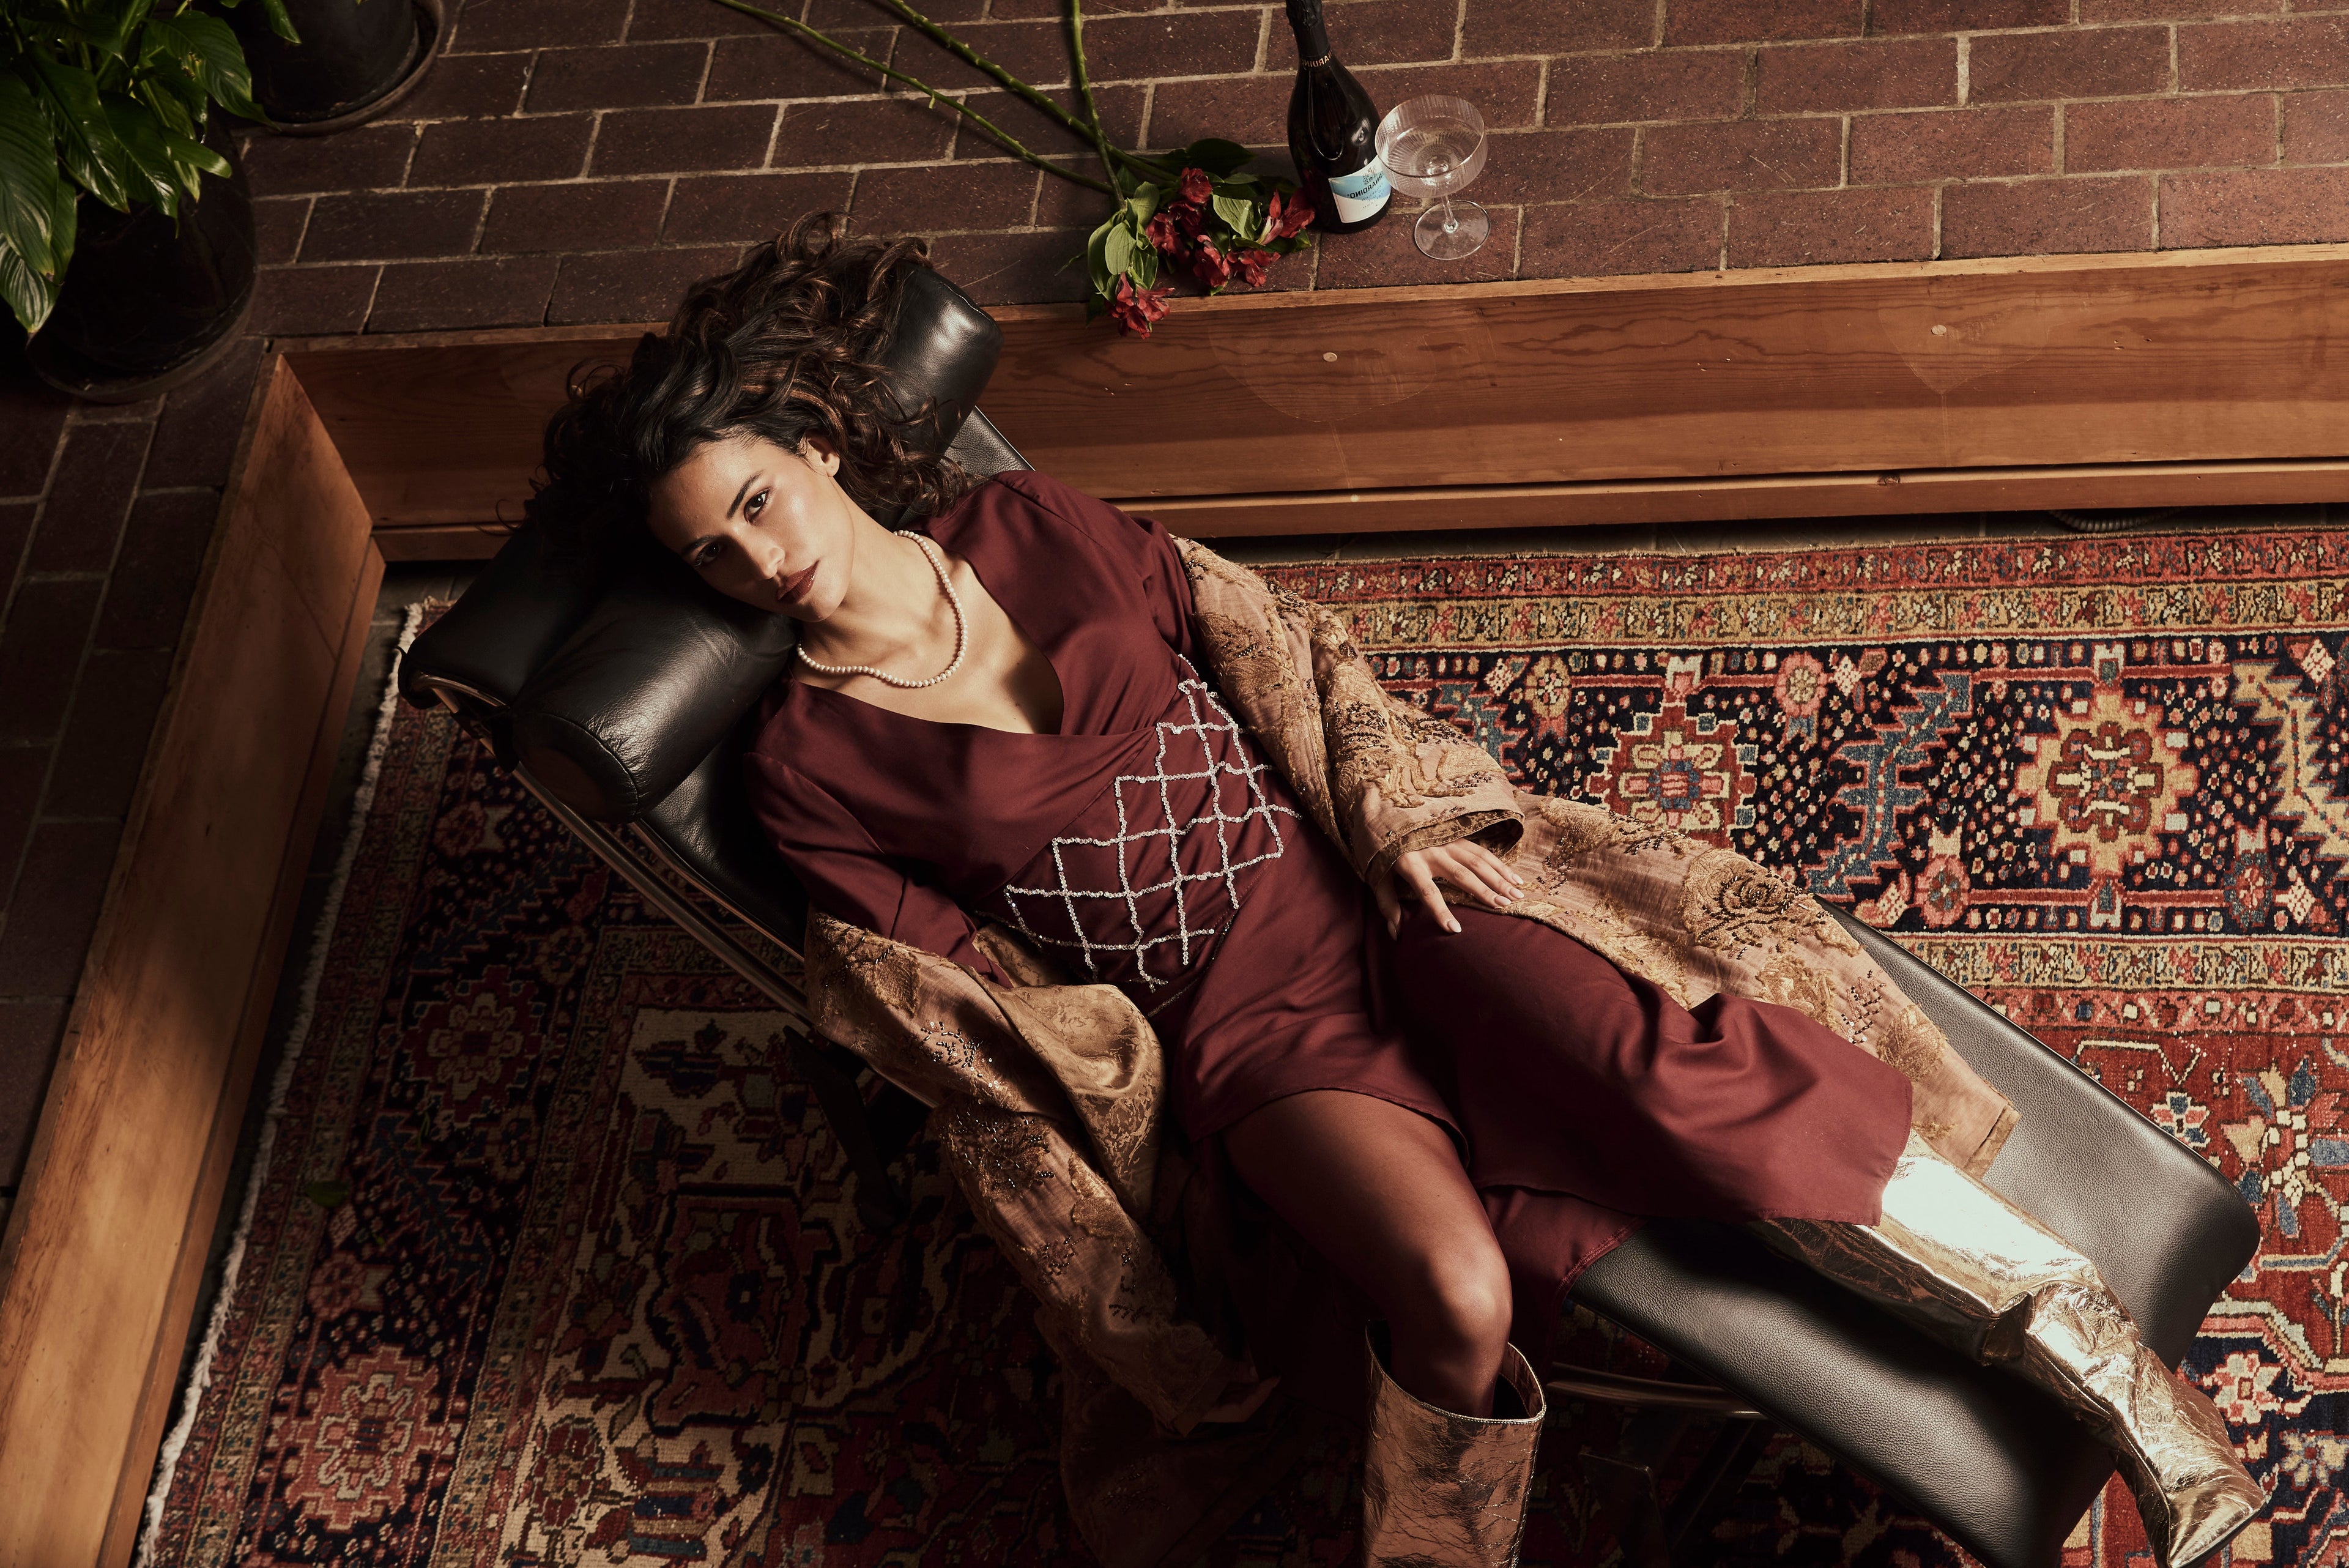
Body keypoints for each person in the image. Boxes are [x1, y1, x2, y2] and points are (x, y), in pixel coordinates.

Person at [529, 215, 2263, 1568]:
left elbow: (1277, 643)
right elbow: (947, 1013)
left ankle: (2112, 1372)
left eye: (761, 499)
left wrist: (1390, 803)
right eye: (713, 551)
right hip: (1245, 1032)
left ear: (822, 441)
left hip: (1370, 894)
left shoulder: (1037, 526)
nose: (762, 558)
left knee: (1673, 1074)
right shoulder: (802, 767)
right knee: (1456, 1295)